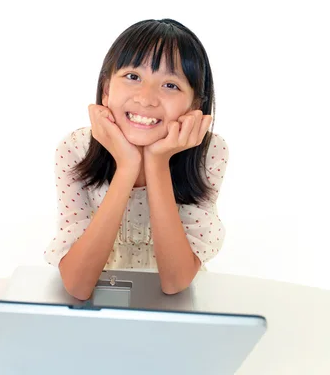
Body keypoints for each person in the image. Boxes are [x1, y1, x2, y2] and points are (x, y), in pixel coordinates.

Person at [43, 18, 229, 300]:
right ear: (106, 90)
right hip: (98, 311)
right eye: (133, 77)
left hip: (176, 316)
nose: (146, 98)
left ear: (194, 106)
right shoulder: (75, 149)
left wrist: (156, 161)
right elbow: (77, 286)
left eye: (170, 85)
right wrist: (127, 167)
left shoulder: (209, 154)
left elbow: (175, 282)